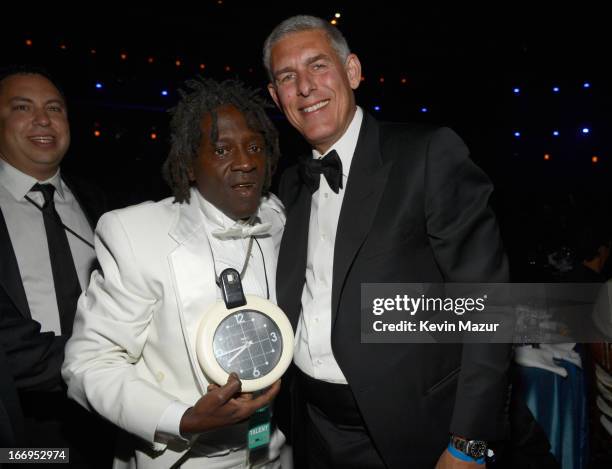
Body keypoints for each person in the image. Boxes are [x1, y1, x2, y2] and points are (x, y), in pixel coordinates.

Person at [264, 15, 512, 469]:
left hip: (413, 432)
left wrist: (471, 444)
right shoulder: (290, 185)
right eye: (287, 77)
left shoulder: (428, 154)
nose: (305, 87)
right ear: (276, 97)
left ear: (353, 71)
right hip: (311, 425)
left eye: (318, 66)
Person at [62, 77, 289, 468]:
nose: (246, 161)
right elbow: (89, 364)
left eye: (254, 147)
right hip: (186, 457)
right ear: (188, 165)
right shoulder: (136, 234)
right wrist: (181, 418)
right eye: (222, 149)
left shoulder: (277, 216)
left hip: (270, 451)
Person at [0, 65, 113, 466]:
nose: (43, 120)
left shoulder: (100, 204)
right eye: (22, 107)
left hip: (107, 419)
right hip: (21, 424)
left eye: (55, 108)